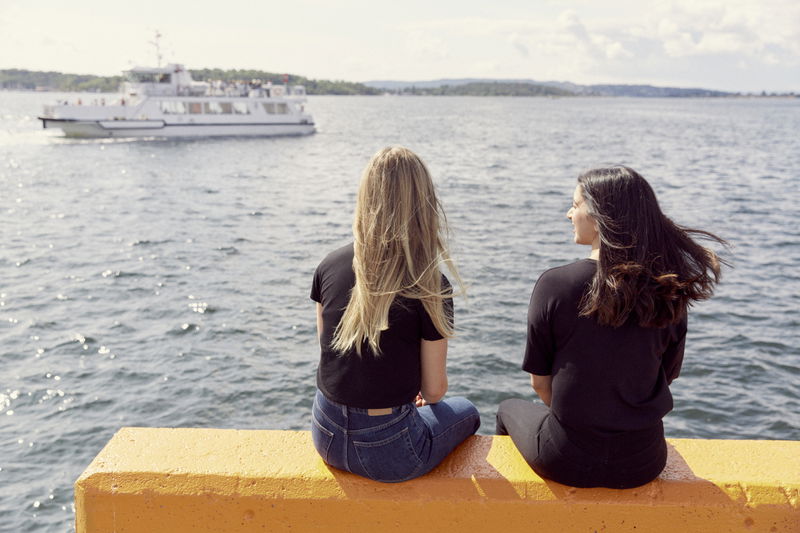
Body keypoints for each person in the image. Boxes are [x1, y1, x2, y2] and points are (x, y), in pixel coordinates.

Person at [496, 166, 726, 488]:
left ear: (599, 216)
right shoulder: (668, 288)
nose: (569, 214)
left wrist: (583, 422)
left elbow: (540, 384)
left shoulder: (555, 285)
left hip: (565, 460)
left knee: (507, 409)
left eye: (575, 205)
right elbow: (666, 375)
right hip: (642, 463)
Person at [310, 146, 480, 483]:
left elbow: (329, 350)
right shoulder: (429, 284)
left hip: (325, 433)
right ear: (423, 203)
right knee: (468, 413)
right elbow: (433, 392)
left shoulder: (329, 265)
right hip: (388, 449)